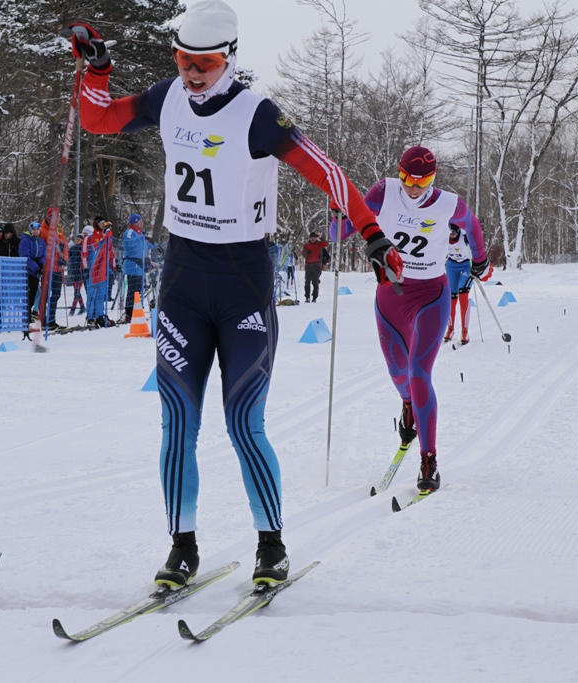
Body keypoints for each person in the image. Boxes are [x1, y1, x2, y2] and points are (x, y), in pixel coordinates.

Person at [67, 0, 400, 589]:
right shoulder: (165, 97)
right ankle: (182, 546)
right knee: (177, 421)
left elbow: (325, 171)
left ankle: (270, 544)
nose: (193, 72)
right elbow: (97, 121)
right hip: (183, 281)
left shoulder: (256, 115)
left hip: (244, 280)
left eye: (206, 62)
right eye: (185, 59)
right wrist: (95, 68)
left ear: (230, 59)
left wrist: (372, 233)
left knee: (244, 421)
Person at [363, 145, 488, 493]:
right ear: (398, 173)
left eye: (423, 180)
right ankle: (407, 406)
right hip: (390, 297)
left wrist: (479, 259)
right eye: (407, 178)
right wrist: (338, 216)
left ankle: (429, 459)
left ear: (433, 178)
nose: (414, 187)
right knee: (398, 374)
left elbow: (472, 225)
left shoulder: (449, 203)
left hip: (431, 296)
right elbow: (347, 225)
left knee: (419, 373)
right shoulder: (384, 191)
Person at [444, 223, 475, 344]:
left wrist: (478, 265)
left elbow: (478, 248)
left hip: (466, 265)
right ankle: (450, 329)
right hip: (452, 265)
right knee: (451, 297)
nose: (451, 236)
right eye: (450, 234)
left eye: (454, 234)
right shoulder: (443, 235)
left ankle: (465, 331)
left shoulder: (465, 236)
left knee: (463, 295)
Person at [82, 218, 114, 328]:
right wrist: (85, 268)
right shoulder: (89, 238)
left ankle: (99, 315)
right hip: (92, 271)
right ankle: (90, 317)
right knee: (92, 294)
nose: (103, 225)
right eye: (101, 223)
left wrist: (113, 265)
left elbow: (111, 252)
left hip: (103, 271)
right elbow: (84, 253)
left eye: (104, 223)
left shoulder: (106, 237)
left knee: (101, 294)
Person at [121, 213, 148, 322]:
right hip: (133, 265)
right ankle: (129, 312)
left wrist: (156, 245)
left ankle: (137, 310)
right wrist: (142, 238)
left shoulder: (139, 233)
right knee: (133, 290)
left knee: (139, 290)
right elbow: (129, 244)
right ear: (135, 222)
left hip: (140, 266)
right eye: (140, 221)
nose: (142, 223)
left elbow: (145, 245)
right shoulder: (130, 232)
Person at [19, 221, 46, 319]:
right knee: (28, 293)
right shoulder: (25, 241)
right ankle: (26, 315)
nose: (35, 231)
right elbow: (25, 256)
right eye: (33, 230)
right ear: (30, 230)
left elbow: (44, 255)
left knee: (35, 292)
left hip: (37, 271)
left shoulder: (41, 241)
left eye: (37, 230)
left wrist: (41, 264)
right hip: (28, 271)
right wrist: (35, 267)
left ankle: (31, 314)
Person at [301, 231, 327, 302]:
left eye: (314, 238)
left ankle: (314, 296)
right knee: (307, 282)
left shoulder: (319, 244)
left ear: (316, 238)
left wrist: (321, 237)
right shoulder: (306, 245)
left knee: (315, 282)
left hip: (316, 265)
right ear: (310, 238)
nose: (313, 239)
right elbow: (303, 255)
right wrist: (306, 253)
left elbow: (325, 244)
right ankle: (307, 296)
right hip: (308, 265)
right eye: (312, 238)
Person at [67, 230, 88, 315]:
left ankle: (73, 308)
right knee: (76, 291)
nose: (77, 241)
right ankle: (82, 307)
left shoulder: (83, 250)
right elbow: (68, 257)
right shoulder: (72, 249)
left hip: (80, 273)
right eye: (76, 239)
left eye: (79, 240)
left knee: (77, 291)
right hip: (73, 272)